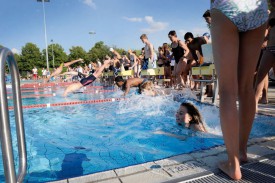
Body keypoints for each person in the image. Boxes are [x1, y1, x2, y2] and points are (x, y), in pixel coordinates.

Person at [210, 0, 268, 180]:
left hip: (227, 6)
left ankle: (233, 164)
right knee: (246, 88)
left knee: (227, 90)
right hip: (257, 9)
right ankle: (242, 151)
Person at [255, 2, 275, 108]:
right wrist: (263, 40)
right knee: (261, 73)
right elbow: (266, 30)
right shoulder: (271, 14)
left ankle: (263, 97)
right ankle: (254, 102)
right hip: (270, 48)